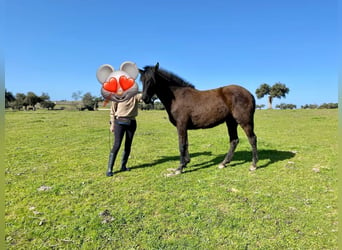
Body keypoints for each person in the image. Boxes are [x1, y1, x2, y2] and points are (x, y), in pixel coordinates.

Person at [106, 93, 142, 176]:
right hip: (119, 123)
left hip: (131, 122)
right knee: (117, 145)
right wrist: (112, 124)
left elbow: (145, 95)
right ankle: (109, 169)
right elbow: (112, 111)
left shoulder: (135, 96)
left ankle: (123, 166)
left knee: (128, 145)